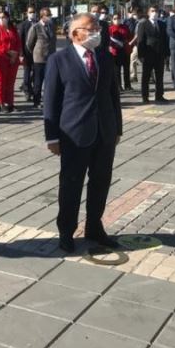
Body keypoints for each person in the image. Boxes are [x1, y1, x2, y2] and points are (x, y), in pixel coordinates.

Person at [44, 13, 122, 253]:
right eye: (92, 28)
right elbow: (51, 100)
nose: (97, 31)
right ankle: (66, 231)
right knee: (71, 184)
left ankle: (94, 227)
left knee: (101, 182)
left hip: (104, 132)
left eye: (98, 27)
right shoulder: (59, 59)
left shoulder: (104, 57)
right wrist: (52, 136)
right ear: (75, 32)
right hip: (74, 134)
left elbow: (113, 95)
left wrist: (117, 127)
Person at [136, 5, 169, 104]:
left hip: (160, 54)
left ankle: (159, 95)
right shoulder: (143, 24)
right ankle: (145, 96)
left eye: (156, 11)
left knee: (160, 76)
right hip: (148, 54)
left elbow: (165, 40)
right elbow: (140, 40)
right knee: (146, 77)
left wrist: (167, 54)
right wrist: (140, 55)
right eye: (153, 11)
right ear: (148, 13)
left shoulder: (162, 24)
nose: (155, 13)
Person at [0, 10, 22, 112]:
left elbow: (18, 43)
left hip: (13, 60)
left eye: (4, 17)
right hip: (1, 59)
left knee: (10, 82)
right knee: (1, 82)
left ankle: (10, 103)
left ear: (8, 18)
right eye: (0, 17)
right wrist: (9, 52)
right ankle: (1, 103)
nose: (2, 19)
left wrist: (15, 54)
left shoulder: (13, 29)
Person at [27, 8, 57, 107]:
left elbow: (53, 40)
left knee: (50, 81)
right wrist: (35, 52)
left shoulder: (52, 26)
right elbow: (29, 43)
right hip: (39, 58)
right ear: (42, 16)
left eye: (50, 15)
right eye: (48, 15)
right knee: (38, 81)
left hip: (51, 57)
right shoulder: (36, 27)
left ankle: (48, 100)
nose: (49, 17)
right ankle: (36, 101)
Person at [107, 13, 132, 91]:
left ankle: (127, 85)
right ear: (112, 20)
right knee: (117, 70)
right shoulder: (110, 29)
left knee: (126, 69)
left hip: (125, 50)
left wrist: (127, 43)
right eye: (115, 18)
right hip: (115, 52)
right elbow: (108, 40)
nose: (117, 20)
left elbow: (129, 37)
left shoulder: (125, 27)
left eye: (118, 18)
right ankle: (119, 86)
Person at [19, 6, 37, 101]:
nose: (32, 13)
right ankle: (27, 91)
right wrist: (21, 54)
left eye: (33, 12)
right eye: (30, 12)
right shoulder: (23, 25)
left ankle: (33, 90)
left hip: (36, 54)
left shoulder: (38, 23)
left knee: (35, 74)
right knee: (27, 73)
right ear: (27, 13)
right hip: (26, 53)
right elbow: (20, 40)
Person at [125, 7, 142, 84]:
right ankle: (133, 76)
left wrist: (131, 42)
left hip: (138, 44)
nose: (133, 15)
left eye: (135, 14)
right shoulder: (129, 22)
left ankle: (133, 76)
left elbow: (137, 34)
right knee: (133, 60)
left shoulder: (139, 22)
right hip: (133, 44)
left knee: (135, 59)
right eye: (132, 14)